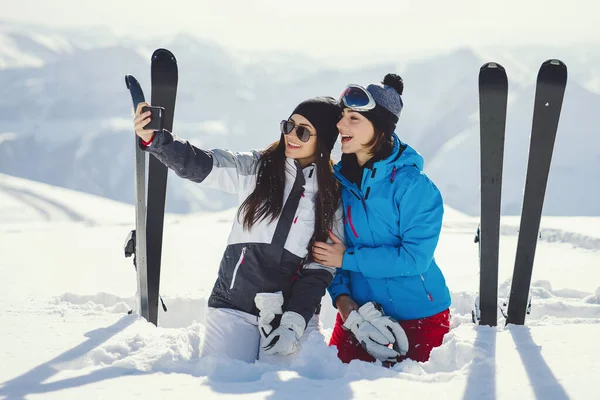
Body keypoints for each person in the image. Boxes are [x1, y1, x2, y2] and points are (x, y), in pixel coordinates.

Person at [132, 96, 344, 363]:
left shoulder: (331, 196)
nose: (291, 135)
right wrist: (157, 140)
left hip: (291, 315)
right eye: (288, 126)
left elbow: (320, 268)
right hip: (234, 304)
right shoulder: (257, 168)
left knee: (287, 387)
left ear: (323, 141)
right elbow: (203, 164)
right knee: (223, 380)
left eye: (303, 131)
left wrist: (294, 320)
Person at [311, 74, 452, 364]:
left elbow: (415, 259)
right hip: (359, 316)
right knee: (327, 384)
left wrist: (347, 258)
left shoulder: (414, 187)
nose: (340, 125)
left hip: (420, 317)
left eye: (353, 118)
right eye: (342, 117)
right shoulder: (337, 183)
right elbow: (330, 250)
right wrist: (342, 300)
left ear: (380, 129)